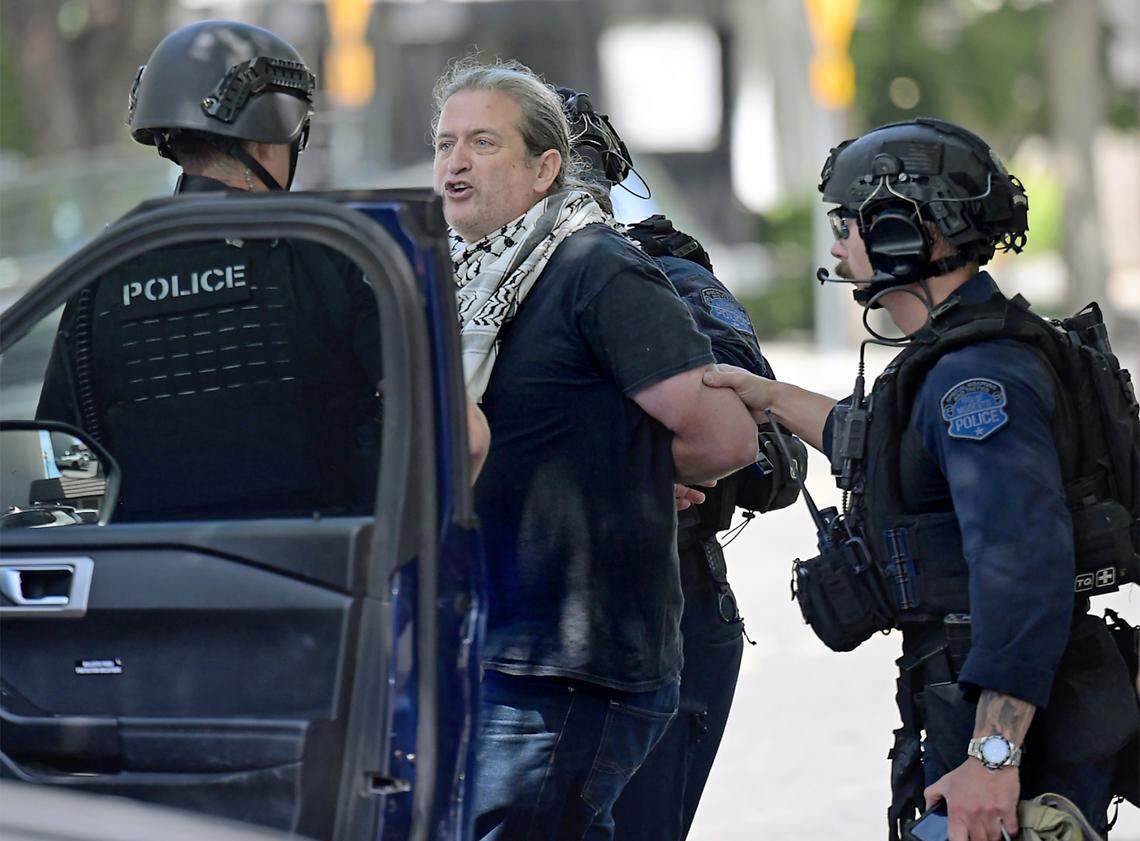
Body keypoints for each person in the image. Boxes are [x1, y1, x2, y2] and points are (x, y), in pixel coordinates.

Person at [702, 118, 1137, 841]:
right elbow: (890, 448)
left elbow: (1023, 565)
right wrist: (767, 396)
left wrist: (993, 757)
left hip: (1012, 723)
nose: (838, 242)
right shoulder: (960, 359)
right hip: (990, 698)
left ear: (912, 233)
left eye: (852, 222)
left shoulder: (977, 380)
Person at [431, 58, 760, 839]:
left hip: (570, 668)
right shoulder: (462, 278)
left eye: (483, 142)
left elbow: (729, 435)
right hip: (488, 649)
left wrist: (622, 468)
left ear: (547, 168)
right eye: (446, 143)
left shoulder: (594, 265)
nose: (456, 160)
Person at [36, 20, 488, 518]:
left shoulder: (103, 270)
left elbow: (67, 468)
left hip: (151, 579)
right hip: (325, 579)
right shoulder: (335, 253)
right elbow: (460, 439)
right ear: (273, 137)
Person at [555, 86, 806, 841]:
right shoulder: (467, 290)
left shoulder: (661, 277)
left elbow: (756, 443)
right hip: (520, 607)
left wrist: (652, 462)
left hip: (666, 599)